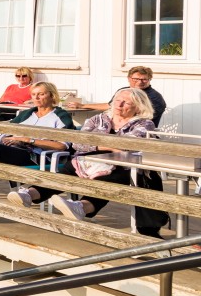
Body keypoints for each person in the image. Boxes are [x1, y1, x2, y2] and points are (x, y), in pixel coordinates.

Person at [13, 88, 167, 236]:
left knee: (106, 182)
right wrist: (106, 146)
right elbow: (77, 143)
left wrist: (99, 145)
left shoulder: (144, 124)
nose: (119, 105)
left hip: (122, 166)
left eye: (126, 103)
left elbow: (128, 146)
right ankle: (29, 194)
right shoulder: (97, 119)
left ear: (138, 107)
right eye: (118, 100)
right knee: (65, 173)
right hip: (87, 161)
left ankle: (80, 207)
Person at [72, 66, 167, 127]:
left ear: (149, 79)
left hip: (135, 130)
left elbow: (144, 117)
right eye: (136, 79)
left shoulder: (155, 97)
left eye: (144, 79)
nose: (139, 82)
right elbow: (110, 105)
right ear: (129, 78)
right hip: (112, 126)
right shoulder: (123, 91)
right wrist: (83, 106)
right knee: (76, 130)